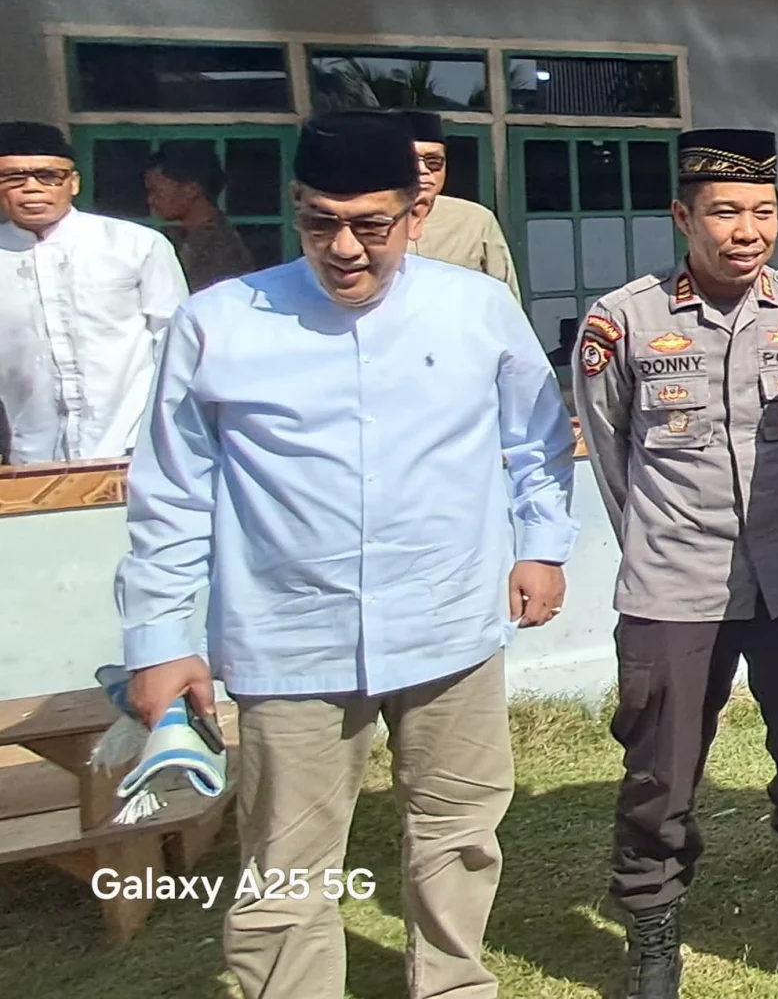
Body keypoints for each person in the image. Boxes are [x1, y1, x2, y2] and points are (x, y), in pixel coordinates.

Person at [115, 109, 578, 999]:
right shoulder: (221, 323)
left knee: (460, 830)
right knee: (286, 857)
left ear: (415, 212)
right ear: (296, 207)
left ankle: (452, 984)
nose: (345, 248)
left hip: (448, 619)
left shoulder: (476, 308)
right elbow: (171, 490)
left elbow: (536, 439)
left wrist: (544, 546)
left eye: (370, 224)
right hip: (292, 636)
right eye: (320, 221)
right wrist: (160, 637)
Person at [574, 127, 778, 998]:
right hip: (676, 584)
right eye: (724, 212)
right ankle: (653, 932)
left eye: (763, 211)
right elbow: (612, 460)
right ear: (683, 217)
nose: (747, 232)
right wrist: (659, 545)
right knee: (659, 772)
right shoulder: (622, 322)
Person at [0, 120, 187, 466]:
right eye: (13, 178)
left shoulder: (136, 245)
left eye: (48, 176)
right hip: (31, 461)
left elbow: (176, 346)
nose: (31, 188)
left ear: (73, 183)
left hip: (134, 450)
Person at [404, 110, 520, 297]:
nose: (422, 170)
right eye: (410, 161)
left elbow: (505, 297)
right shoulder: (370, 219)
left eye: (433, 161)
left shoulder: (476, 220)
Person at [145, 144, 256, 291]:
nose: (150, 200)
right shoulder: (173, 236)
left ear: (191, 190)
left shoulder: (223, 249)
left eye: (157, 191)